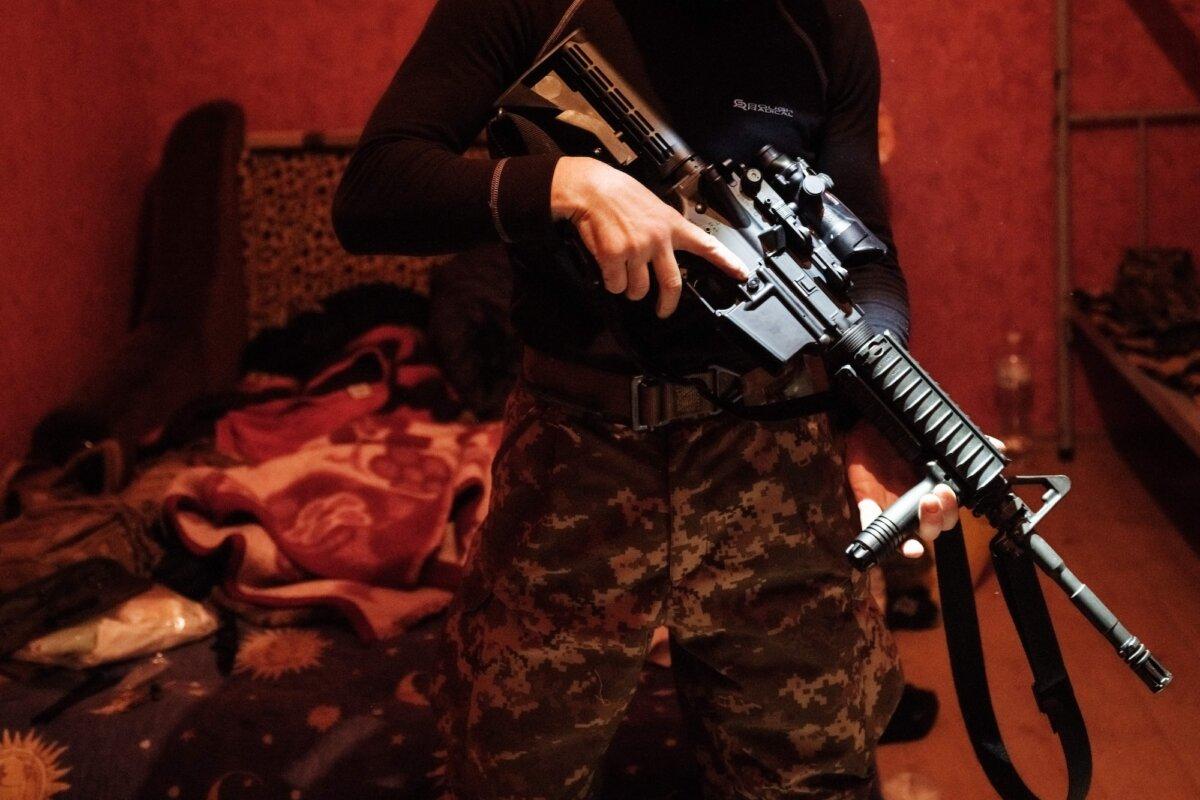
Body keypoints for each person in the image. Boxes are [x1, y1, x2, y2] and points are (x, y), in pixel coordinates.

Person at [334, 1, 963, 797]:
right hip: (577, 460)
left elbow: (867, 264)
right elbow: (373, 190)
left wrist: (883, 419)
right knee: (511, 777)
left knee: (814, 779)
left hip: (774, 462)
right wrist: (567, 184)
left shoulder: (826, 20)